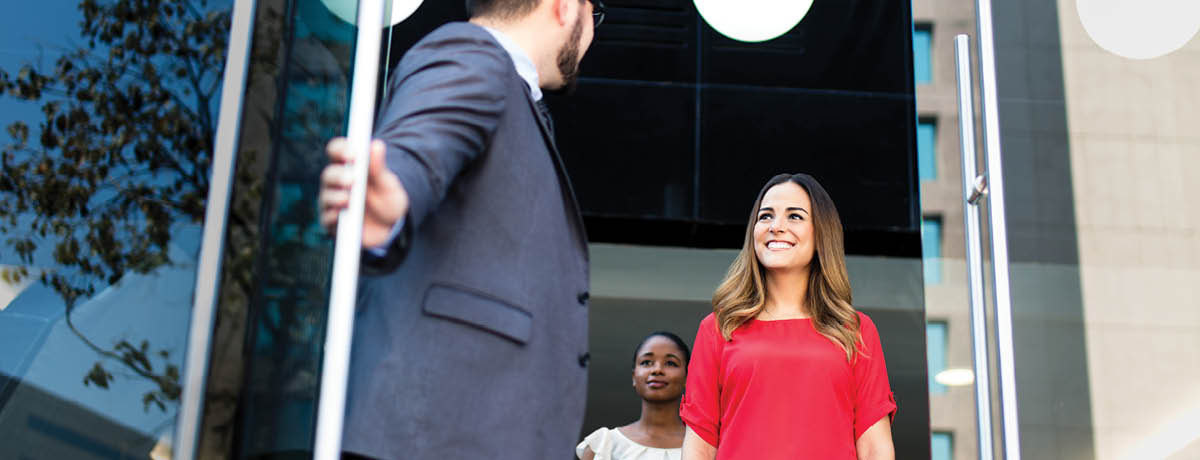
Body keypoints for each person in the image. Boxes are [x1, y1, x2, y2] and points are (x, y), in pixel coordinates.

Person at [316, 0, 605, 457]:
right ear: (566, 7)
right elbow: (419, 145)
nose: (593, 36)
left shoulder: (509, 87)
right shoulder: (472, 53)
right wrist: (392, 196)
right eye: (596, 15)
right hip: (435, 437)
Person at [679, 173, 896, 460]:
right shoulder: (719, 327)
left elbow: (874, 446)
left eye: (795, 217)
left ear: (821, 233)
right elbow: (700, 444)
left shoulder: (855, 330)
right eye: (766, 216)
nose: (776, 227)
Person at [577, 331, 691, 460]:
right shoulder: (603, 446)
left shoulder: (705, 445)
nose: (657, 369)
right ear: (634, 377)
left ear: (688, 377)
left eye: (670, 363)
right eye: (646, 362)